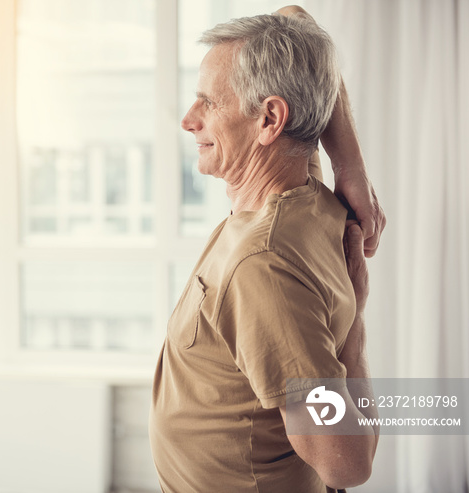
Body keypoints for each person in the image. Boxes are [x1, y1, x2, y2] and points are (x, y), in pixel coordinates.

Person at [149, 6, 383, 493]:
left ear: (270, 119)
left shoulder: (264, 267)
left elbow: (347, 463)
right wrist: (351, 167)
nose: (189, 120)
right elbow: (296, 17)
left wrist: (355, 330)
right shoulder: (304, 182)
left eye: (208, 102)